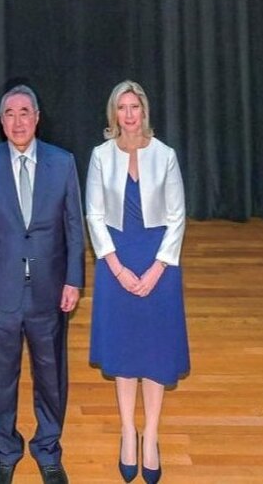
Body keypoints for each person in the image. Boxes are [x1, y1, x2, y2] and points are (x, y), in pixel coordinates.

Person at [0, 85, 85, 484]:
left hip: (50, 290)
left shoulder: (63, 162)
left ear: (37, 117)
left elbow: (74, 225)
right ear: (1, 123)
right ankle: (5, 451)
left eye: (24, 112)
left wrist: (74, 279)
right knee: (2, 376)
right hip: (1, 291)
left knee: (51, 374)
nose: (17, 121)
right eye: (9, 114)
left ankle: (48, 449)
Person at [85, 81, 190, 484]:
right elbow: (94, 215)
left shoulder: (165, 155)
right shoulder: (100, 156)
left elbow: (178, 216)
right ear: (114, 114)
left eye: (135, 107)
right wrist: (116, 267)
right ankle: (128, 431)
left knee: (155, 351)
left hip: (158, 261)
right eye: (122, 108)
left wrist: (158, 268)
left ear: (144, 112)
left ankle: (152, 436)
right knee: (126, 349)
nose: (129, 115)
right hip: (117, 260)